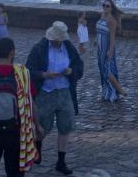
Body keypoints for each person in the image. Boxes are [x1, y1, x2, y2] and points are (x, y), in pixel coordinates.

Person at [0, 38, 42, 177]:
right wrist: (38, 126)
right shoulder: (22, 73)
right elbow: (31, 103)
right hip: (16, 131)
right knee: (15, 172)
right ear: (12, 53)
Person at [26, 21, 84, 175]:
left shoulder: (69, 48)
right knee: (42, 127)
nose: (57, 41)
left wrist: (71, 71)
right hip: (46, 92)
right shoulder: (39, 49)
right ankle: (37, 150)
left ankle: (61, 161)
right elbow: (29, 70)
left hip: (65, 92)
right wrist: (44, 75)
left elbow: (79, 66)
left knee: (65, 126)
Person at [96, 0, 126, 102]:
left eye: (107, 6)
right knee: (102, 69)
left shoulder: (111, 20)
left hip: (107, 48)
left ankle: (119, 90)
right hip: (100, 48)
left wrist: (110, 51)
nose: (105, 7)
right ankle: (107, 91)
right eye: (103, 5)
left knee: (107, 70)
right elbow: (99, 32)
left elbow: (112, 38)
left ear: (111, 8)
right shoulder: (102, 15)